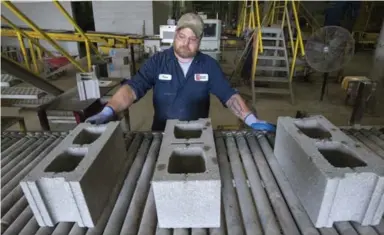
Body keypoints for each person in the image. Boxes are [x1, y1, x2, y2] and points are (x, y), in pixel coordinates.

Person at [86, 13, 275, 132]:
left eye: (192, 39)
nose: (186, 43)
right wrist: (108, 110)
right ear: (175, 35)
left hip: (198, 135)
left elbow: (229, 95)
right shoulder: (158, 62)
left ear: (199, 41)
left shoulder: (208, 66)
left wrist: (251, 119)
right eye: (182, 36)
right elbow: (132, 89)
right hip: (161, 134)